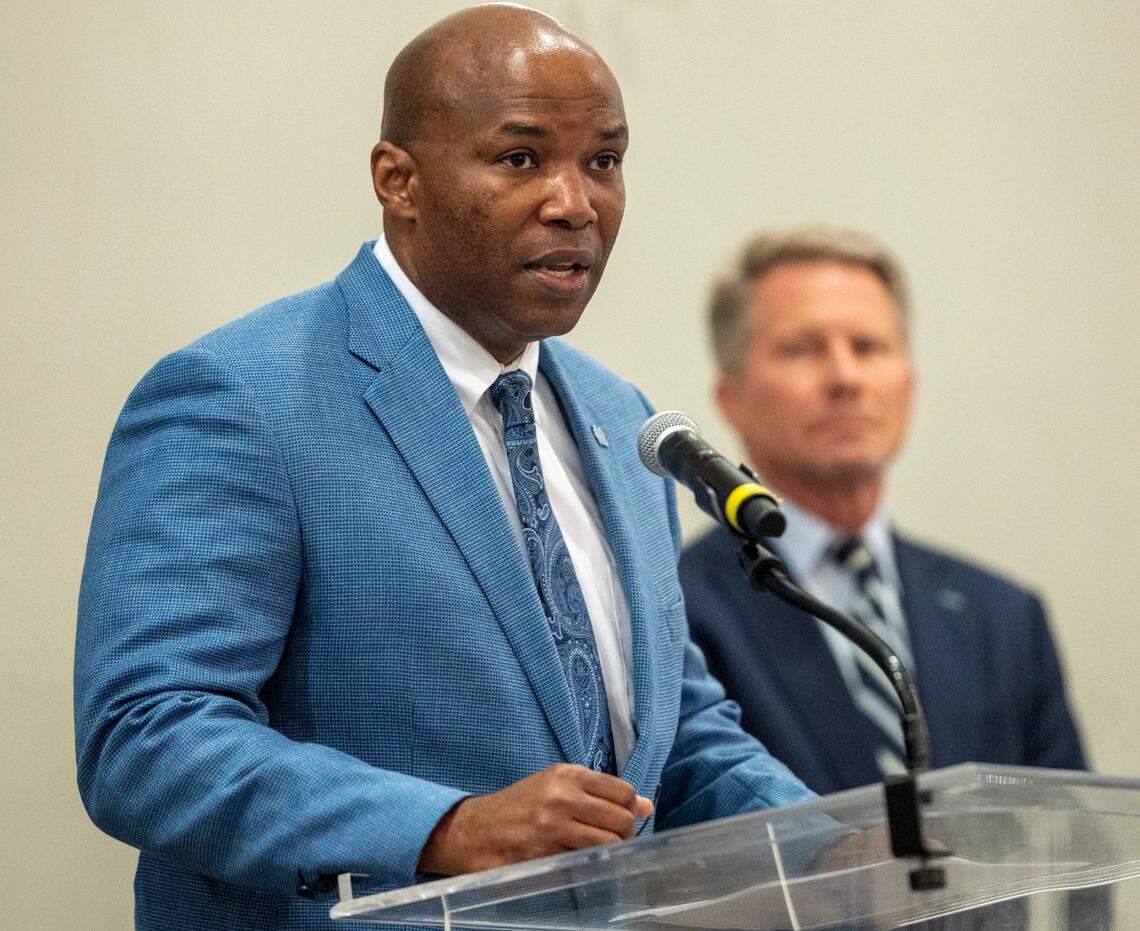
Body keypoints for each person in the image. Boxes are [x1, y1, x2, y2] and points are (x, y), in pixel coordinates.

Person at [74, 8, 814, 929]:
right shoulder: (240, 397)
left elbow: (674, 738)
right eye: (520, 159)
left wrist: (837, 844)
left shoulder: (622, 420)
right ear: (399, 181)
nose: (574, 203)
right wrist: (443, 826)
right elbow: (146, 739)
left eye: (604, 161)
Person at [680, 225, 1087, 796]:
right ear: (732, 397)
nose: (845, 378)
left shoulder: (1006, 617)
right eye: (803, 349)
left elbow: (1070, 851)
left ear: (909, 384)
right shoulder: (679, 610)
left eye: (868, 347)